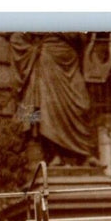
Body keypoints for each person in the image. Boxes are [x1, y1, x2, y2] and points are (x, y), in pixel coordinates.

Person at [9, 33, 95, 166]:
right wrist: (33, 49)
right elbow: (18, 35)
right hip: (49, 62)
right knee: (50, 109)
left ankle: (85, 154)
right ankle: (56, 156)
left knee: (82, 105)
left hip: (71, 60)